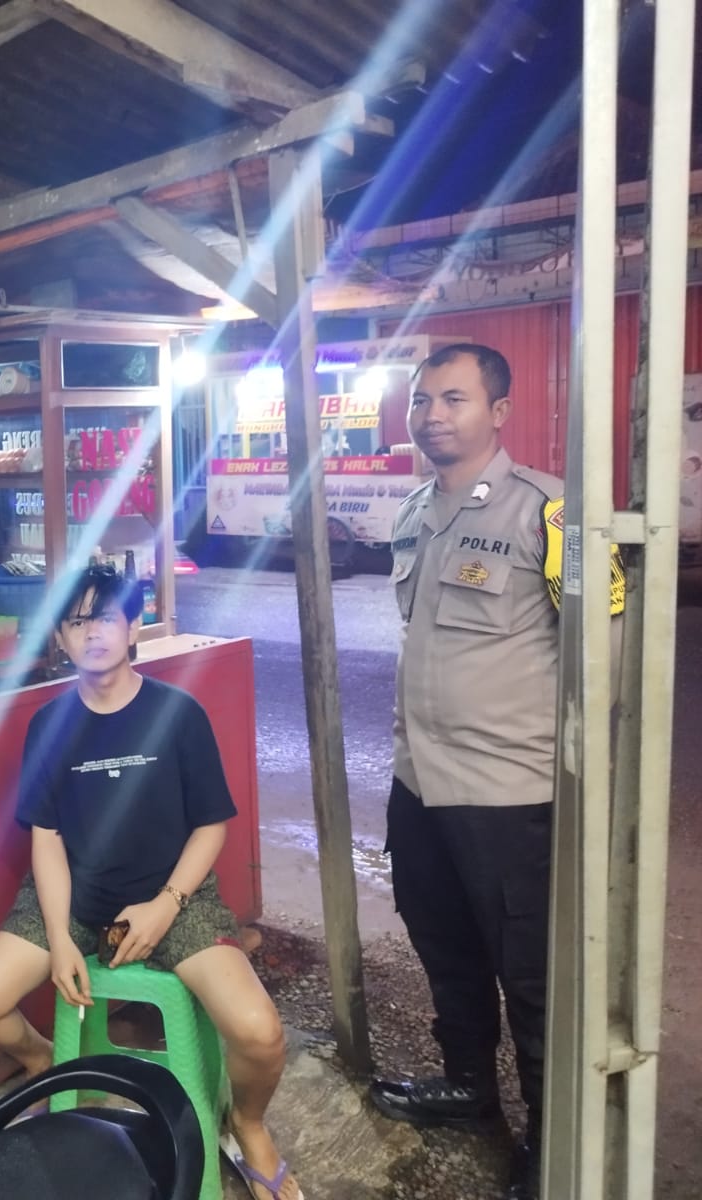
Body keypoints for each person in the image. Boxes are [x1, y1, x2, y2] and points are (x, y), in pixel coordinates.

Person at [0, 565, 302, 1200]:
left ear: (133, 626)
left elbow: (211, 827)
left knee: (260, 1034)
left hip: (175, 896)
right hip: (75, 901)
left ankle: (247, 1125)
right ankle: (44, 1063)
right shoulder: (48, 725)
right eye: (77, 621)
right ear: (60, 637)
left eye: (106, 617)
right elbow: (47, 839)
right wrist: (60, 937)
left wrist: (166, 906)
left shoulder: (178, 714)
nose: (93, 633)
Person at [369, 344, 624, 1200]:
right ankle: (470, 1089)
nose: (433, 415)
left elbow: (605, 644)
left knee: (533, 976)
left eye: (455, 398)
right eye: (422, 400)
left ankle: (554, 1139)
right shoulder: (414, 511)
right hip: (421, 783)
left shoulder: (556, 515)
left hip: (510, 794)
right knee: (445, 946)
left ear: (499, 411)